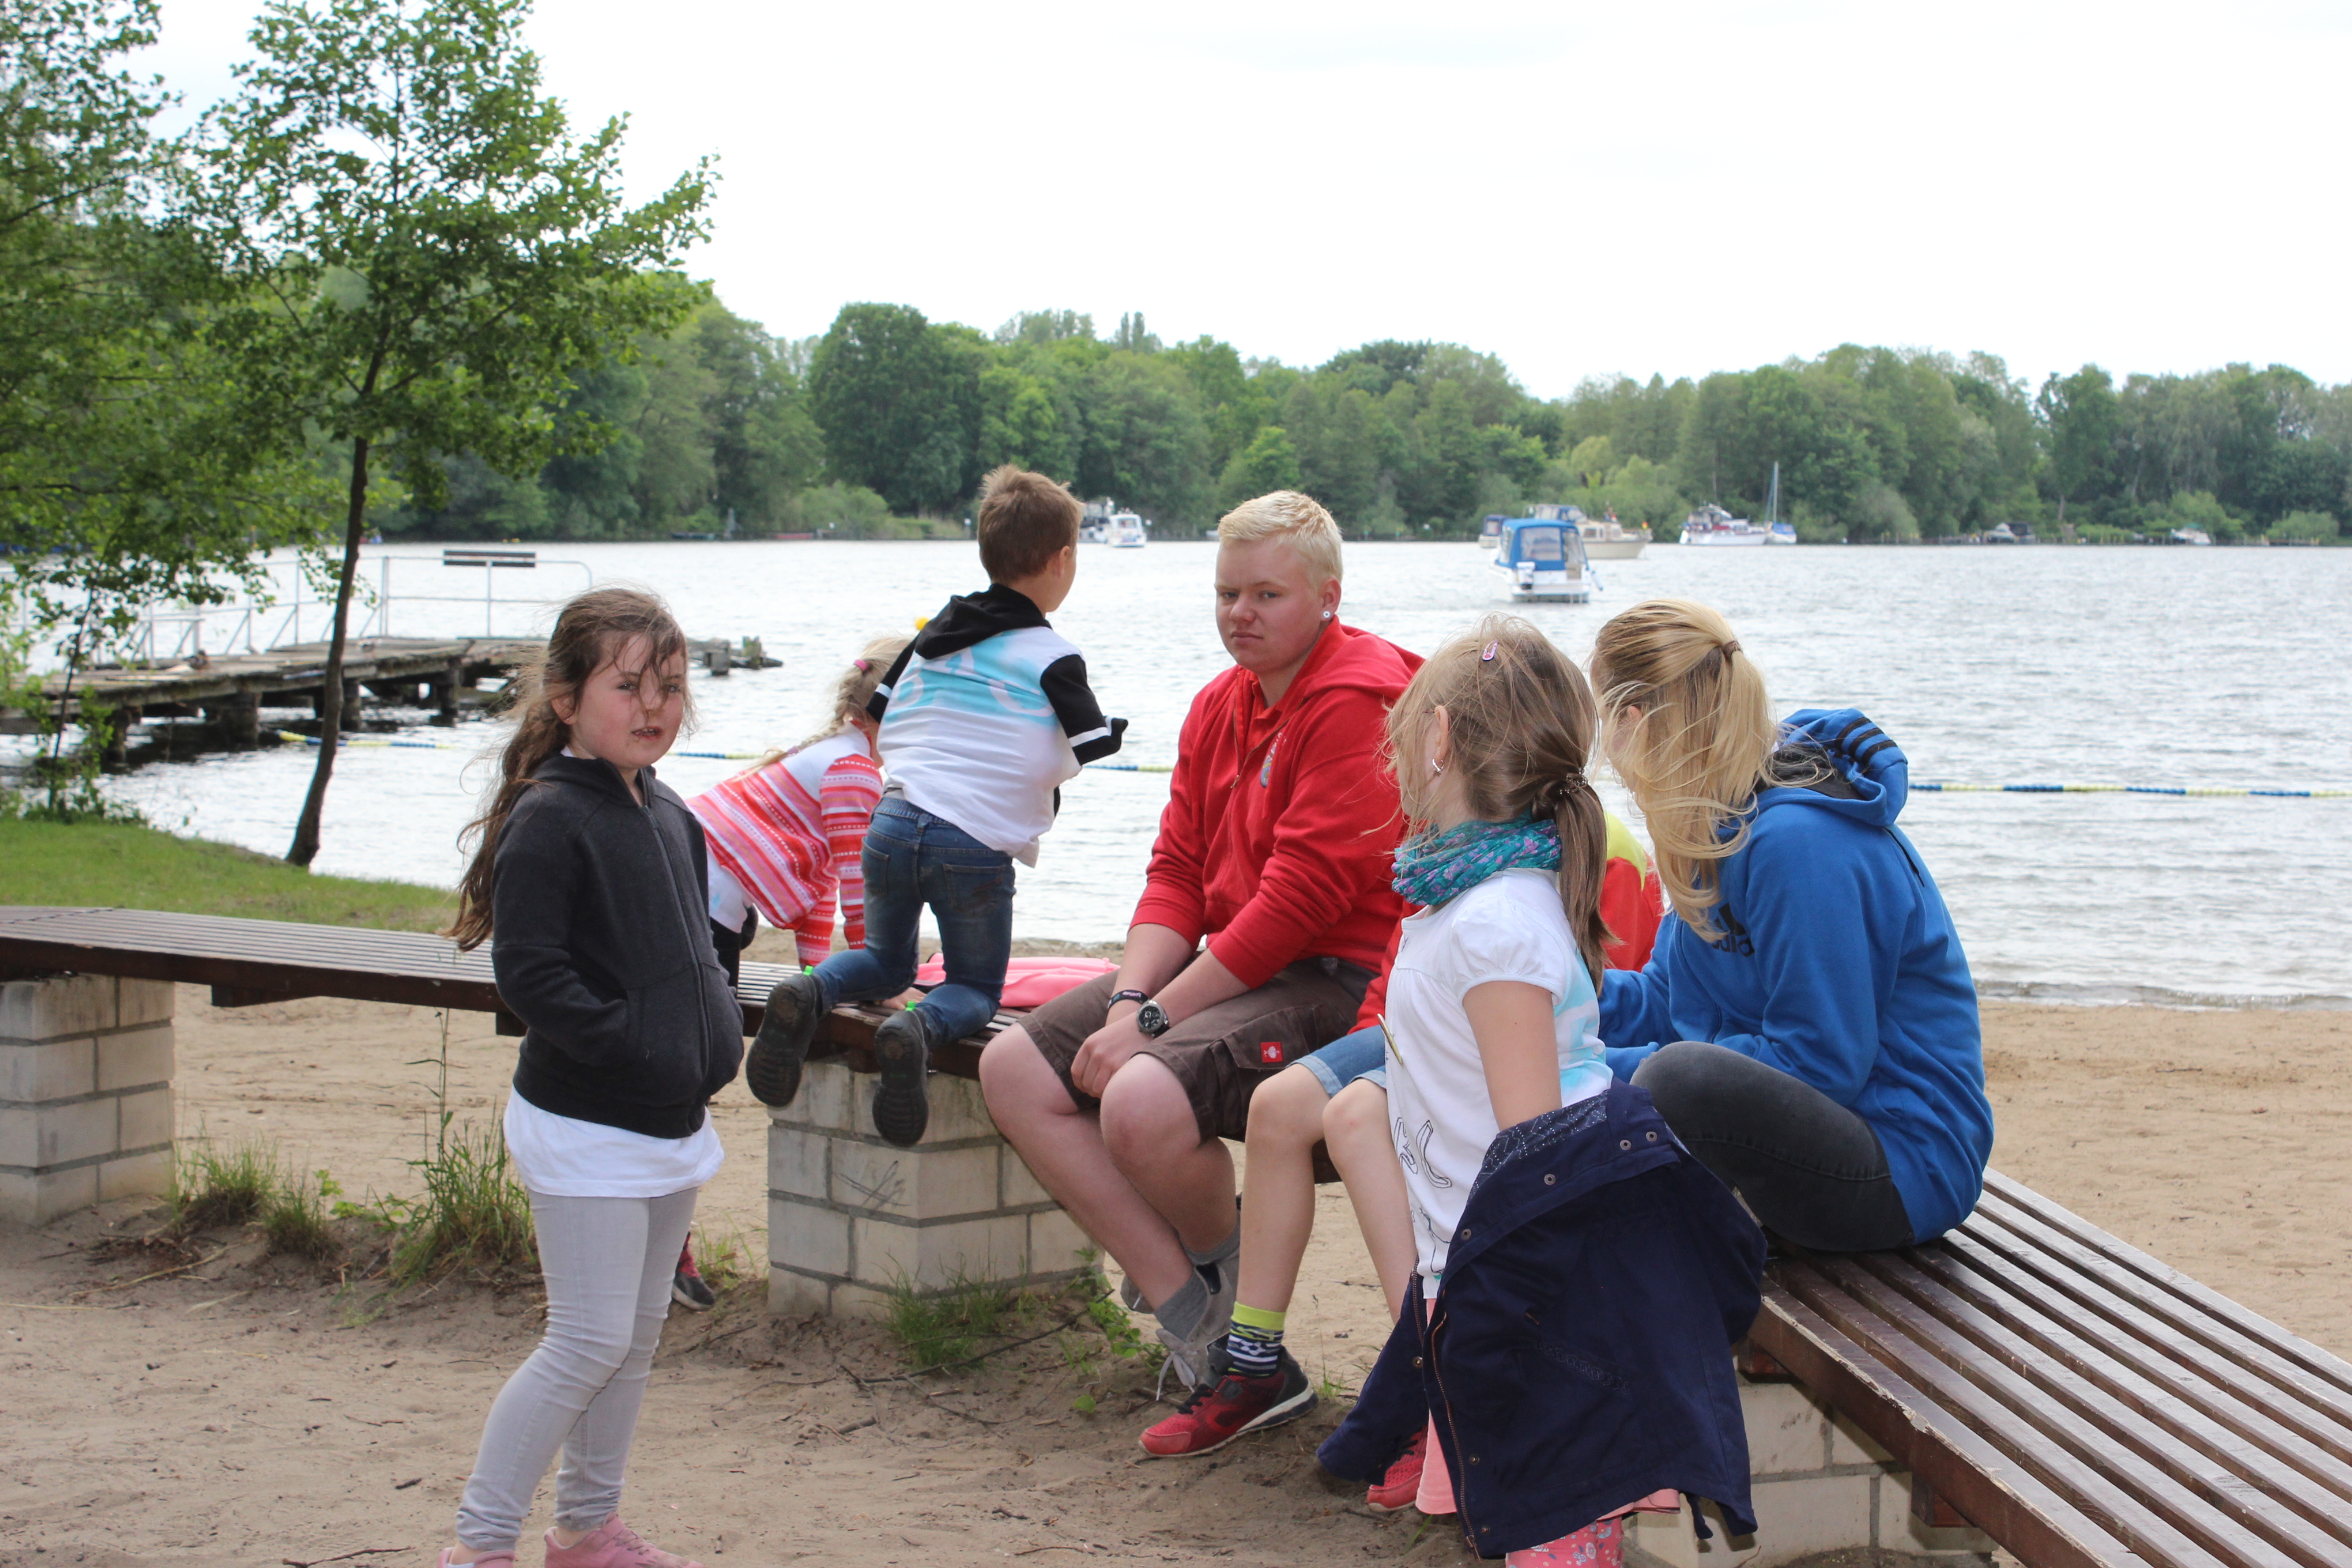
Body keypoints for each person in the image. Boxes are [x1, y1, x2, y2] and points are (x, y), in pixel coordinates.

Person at [1314, 615, 1761, 1565]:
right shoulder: (1473, 904)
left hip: (1544, 1310)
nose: (1393, 760)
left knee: (1554, 1545)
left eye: (1401, 735)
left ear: (1438, 740)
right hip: (1501, 1286)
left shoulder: (1497, 926)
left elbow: (1540, 1165)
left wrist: (1488, 1335)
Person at [978, 491, 1420, 1384]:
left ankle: (1228, 1297)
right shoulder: (1221, 703)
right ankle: (1200, 1310)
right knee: (1013, 1068)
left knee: (1140, 1098)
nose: (1239, 614)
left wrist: (1149, 1025)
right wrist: (1132, 998)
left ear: (1328, 598)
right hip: (1243, 969)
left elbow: (1297, 904)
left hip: (1343, 979)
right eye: (1227, 594)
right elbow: (1178, 871)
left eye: (1267, 596)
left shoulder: (1357, 701)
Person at [1136, 811, 1663, 1486]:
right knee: (1278, 1108)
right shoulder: (1447, 840)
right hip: (1405, 1026)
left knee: (1355, 1120)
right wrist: (1378, 1046)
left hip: (1493, 1037)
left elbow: (1597, 1003)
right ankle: (1255, 1363)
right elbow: (1397, 975)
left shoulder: (1588, 852)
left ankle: (1427, 1386)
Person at [436, 587, 741, 1568]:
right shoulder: (552, 817)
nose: (654, 706)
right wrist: (632, 1042)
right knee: (585, 1342)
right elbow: (530, 975)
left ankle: (586, 1530)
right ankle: (479, 1547)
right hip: (586, 1126)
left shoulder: (671, 812)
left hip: (668, 1124)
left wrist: (708, 1029)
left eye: (671, 687)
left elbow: (700, 949)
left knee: (634, 1338)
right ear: (566, 699)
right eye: (628, 686)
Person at [1590, 598, 1992, 1252]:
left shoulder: (1800, 843)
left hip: (1904, 1161)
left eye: (1603, 719)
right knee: (1633, 1074)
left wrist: (1588, 1067)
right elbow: (1669, 1000)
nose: (1606, 750)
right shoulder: (1715, 822)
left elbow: (1820, 1062)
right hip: (1823, 1127)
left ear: (1633, 720)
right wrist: (1555, 998)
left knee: (1677, 1082)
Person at [746, 467, 1126, 1147]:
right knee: (975, 989)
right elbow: (1091, 743)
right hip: (971, 846)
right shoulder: (1053, 655)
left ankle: (810, 991)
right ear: (1063, 561)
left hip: (891, 822)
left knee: (886, 963)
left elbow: (881, 707)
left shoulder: (933, 635)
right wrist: (1115, 726)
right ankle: (915, 1029)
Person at [687, 634, 907, 981]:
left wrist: (812, 979)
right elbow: (859, 889)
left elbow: (821, 886)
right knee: (713, 1010)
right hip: (706, 893)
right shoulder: (853, 771)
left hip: (688, 867)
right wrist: (878, 976)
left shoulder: (832, 749)